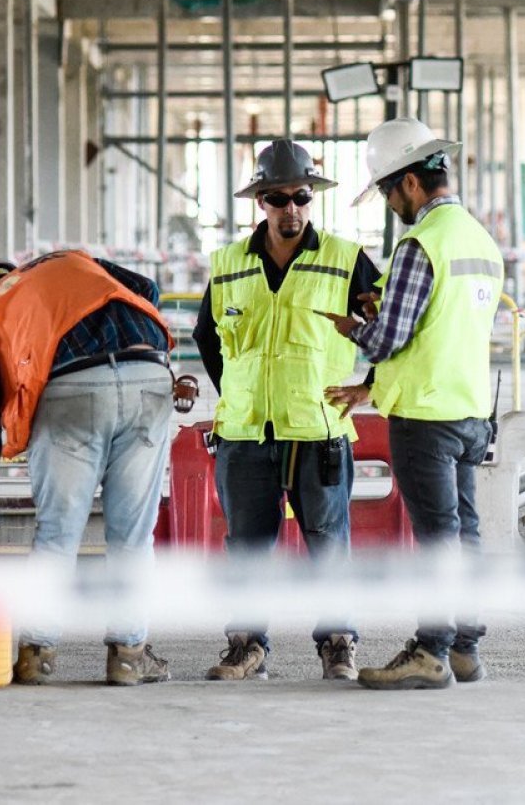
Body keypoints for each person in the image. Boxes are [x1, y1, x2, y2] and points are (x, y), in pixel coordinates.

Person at [322, 118, 504, 691]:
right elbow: (442, 334)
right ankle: (466, 647)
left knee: (435, 537)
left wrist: (353, 327)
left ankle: (430, 650)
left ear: (408, 184)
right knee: (464, 533)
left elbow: (390, 337)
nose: (387, 203)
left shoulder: (420, 244)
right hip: (469, 410)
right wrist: (373, 387)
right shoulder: (479, 238)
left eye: (384, 190)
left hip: (426, 421)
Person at [191, 139, 382, 681]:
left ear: (311, 197)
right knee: (247, 547)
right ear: (261, 203)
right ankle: (247, 646)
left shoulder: (346, 260)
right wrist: (236, 394)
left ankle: (338, 644)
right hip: (245, 433)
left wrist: (374, 385)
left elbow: (394, 330)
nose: (290, 208)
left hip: (318, 430)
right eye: (278, 199)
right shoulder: (229, 264)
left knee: (328, 543)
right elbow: (207, 335)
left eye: (300, 196)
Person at [0, 250, 178, 687]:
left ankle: (37, 655)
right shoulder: (68, 261)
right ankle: (129, 657)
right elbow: (147, 292)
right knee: (133, 536)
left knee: (58, 533)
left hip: (71, 387)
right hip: (149, 372)